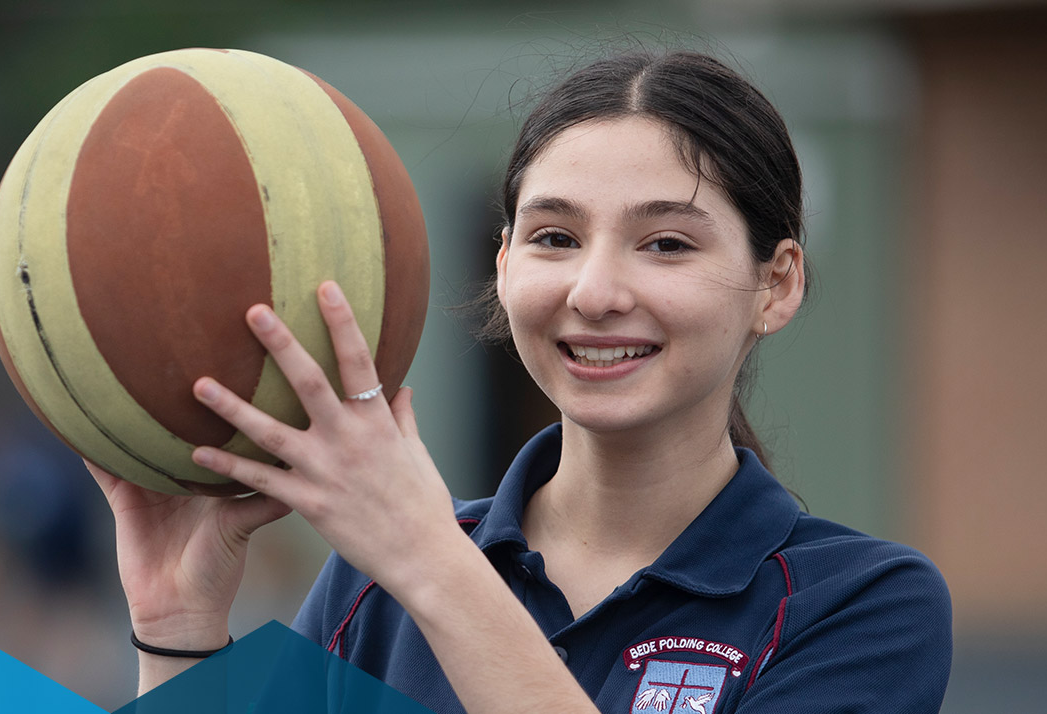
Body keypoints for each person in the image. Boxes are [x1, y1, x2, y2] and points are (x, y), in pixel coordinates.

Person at [86, 51, 952, 713]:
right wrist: (179, 634)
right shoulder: (371, 586)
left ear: (778, 283)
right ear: (502, 265)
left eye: (667, 244)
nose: (595, 292)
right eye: (554, 238)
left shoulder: (861, 605)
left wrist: (430, 560)